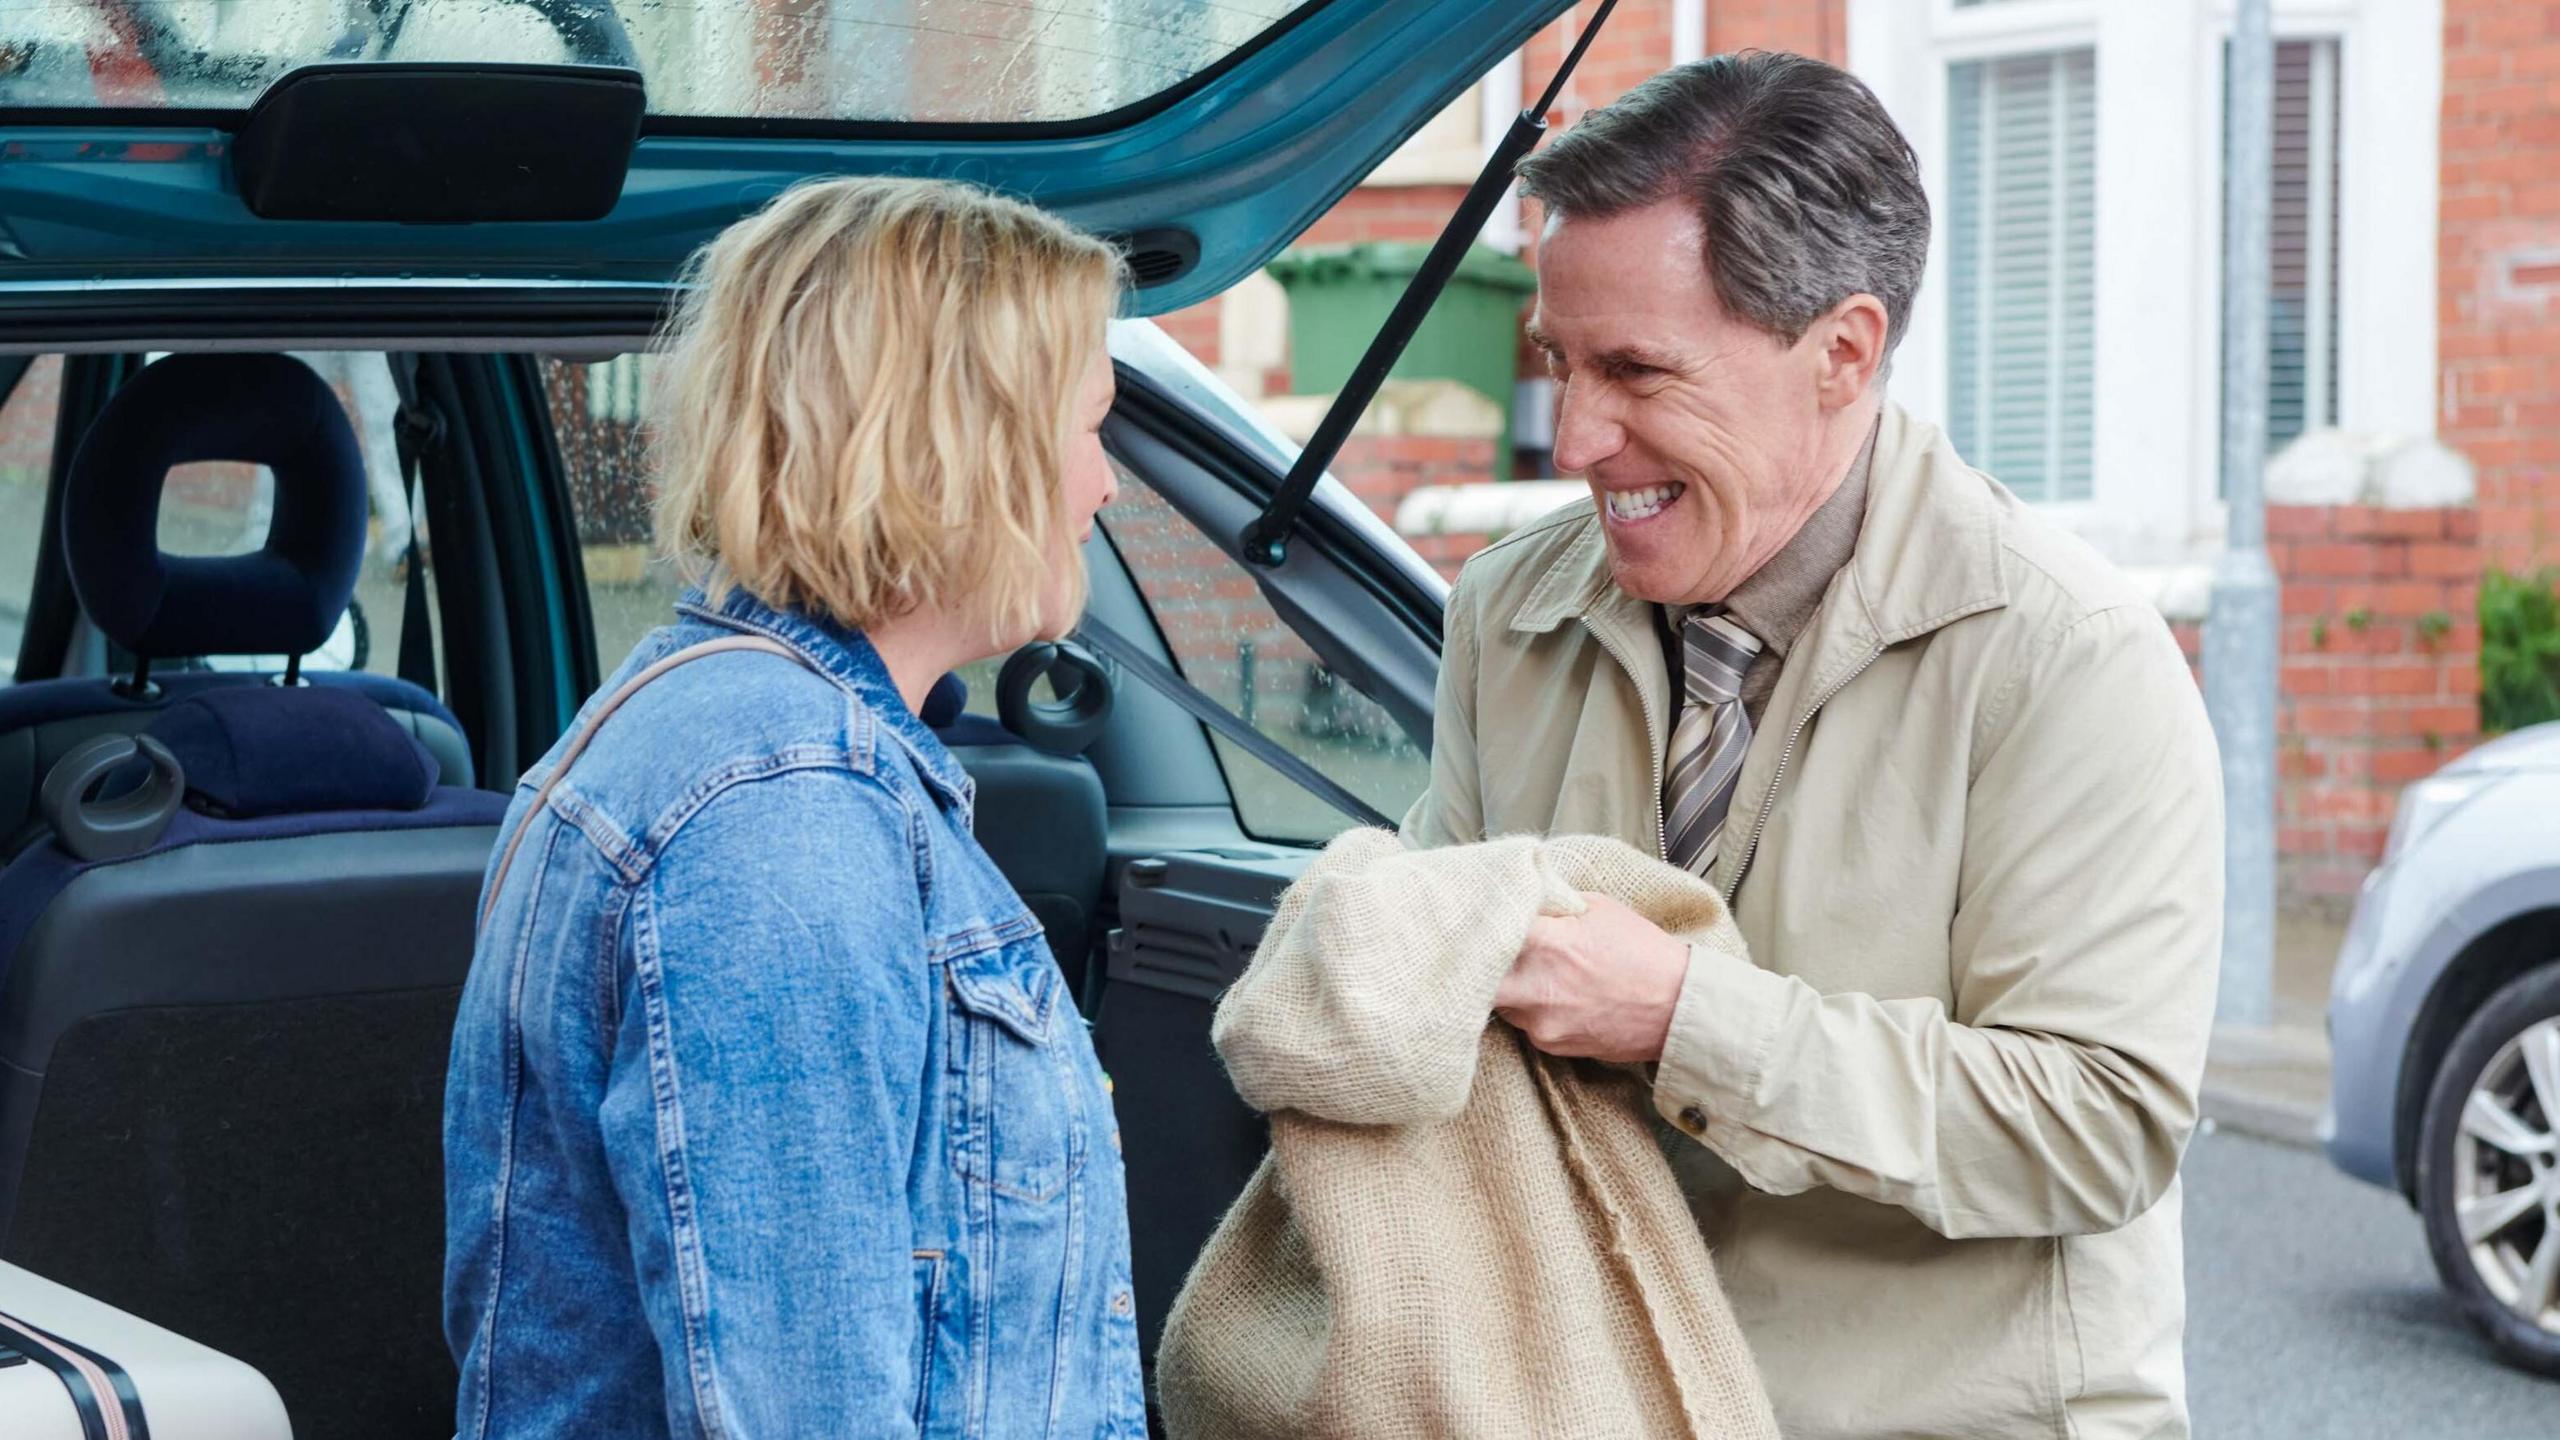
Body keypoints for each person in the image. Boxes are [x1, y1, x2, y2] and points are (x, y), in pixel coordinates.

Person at [1409, 53, 2224, 1440]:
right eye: (1560, 362)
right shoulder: (1508, 611)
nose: (1576, 438)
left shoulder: (2066, 656)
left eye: (1636, 371)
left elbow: (2100, 1122)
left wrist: (1681, 1018)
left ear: (1842, 353)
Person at [442, 176, 1145, 1439]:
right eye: (1090, 426)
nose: (1107, 486)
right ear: (958, 440)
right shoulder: (783, 819)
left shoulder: (730, 738)